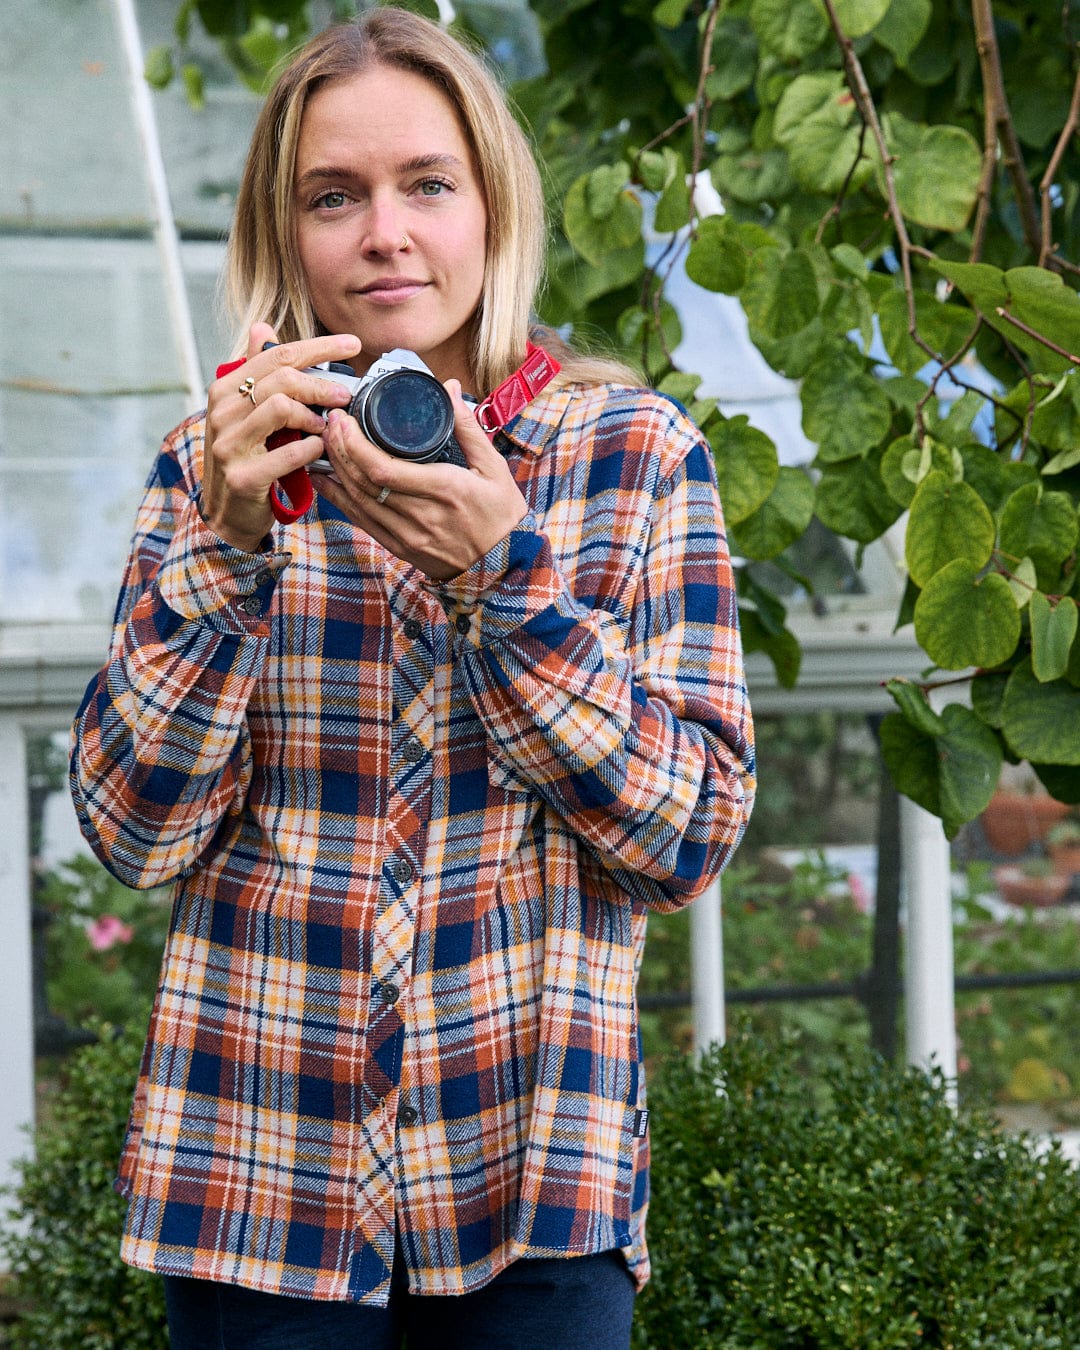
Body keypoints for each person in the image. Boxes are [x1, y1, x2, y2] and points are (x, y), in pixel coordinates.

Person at [69, 8, 755, 1348]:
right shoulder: (217, 461)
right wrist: (225, 547)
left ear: (492, 209)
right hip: (257, 1177)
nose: (385, 232)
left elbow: (687, 835)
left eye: (427, 185)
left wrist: (505, 579)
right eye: (336, 196)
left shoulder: (631, 456)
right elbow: (134, 832)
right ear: (290, 236)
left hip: (533, 1182)